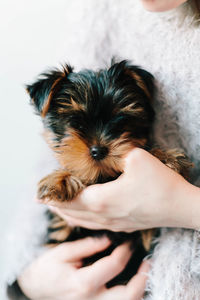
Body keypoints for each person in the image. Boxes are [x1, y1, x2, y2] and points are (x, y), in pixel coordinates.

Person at [7, 0, 200, 299]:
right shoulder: (100, 12)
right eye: (76, 125)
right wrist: (26, 285)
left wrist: (184, 203)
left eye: (119, 122)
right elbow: (32, 211)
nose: (97, 145)